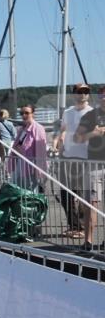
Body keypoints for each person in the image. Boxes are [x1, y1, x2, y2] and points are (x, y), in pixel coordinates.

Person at [54, 83, 93, 238]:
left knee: (83, 195)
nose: (83, 94)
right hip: (68, 157)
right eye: (79, 91)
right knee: (66, 194)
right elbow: (64, 130)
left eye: (86, 91)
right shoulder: (68, 112)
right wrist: (59, 143)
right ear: (74, 94)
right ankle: (74, 225)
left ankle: (82, 227)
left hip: (86, 159)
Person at [73, 88, 105, 252]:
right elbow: (77, 138)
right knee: (91, 205)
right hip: (94, 165)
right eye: (102, 95)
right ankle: (88, 241)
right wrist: (93, 133)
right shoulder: (90, 116)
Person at [7, 105, 48, 192]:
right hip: (19, 164)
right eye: (21, 113)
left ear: (33, 114)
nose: (24, 115)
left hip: (31, 168)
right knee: (17, 191)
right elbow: (19, 145)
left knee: (30, 193)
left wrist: (39, 170)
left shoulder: (38, 128)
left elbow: (41, 151)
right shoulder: (22, 129)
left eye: (27, 113)